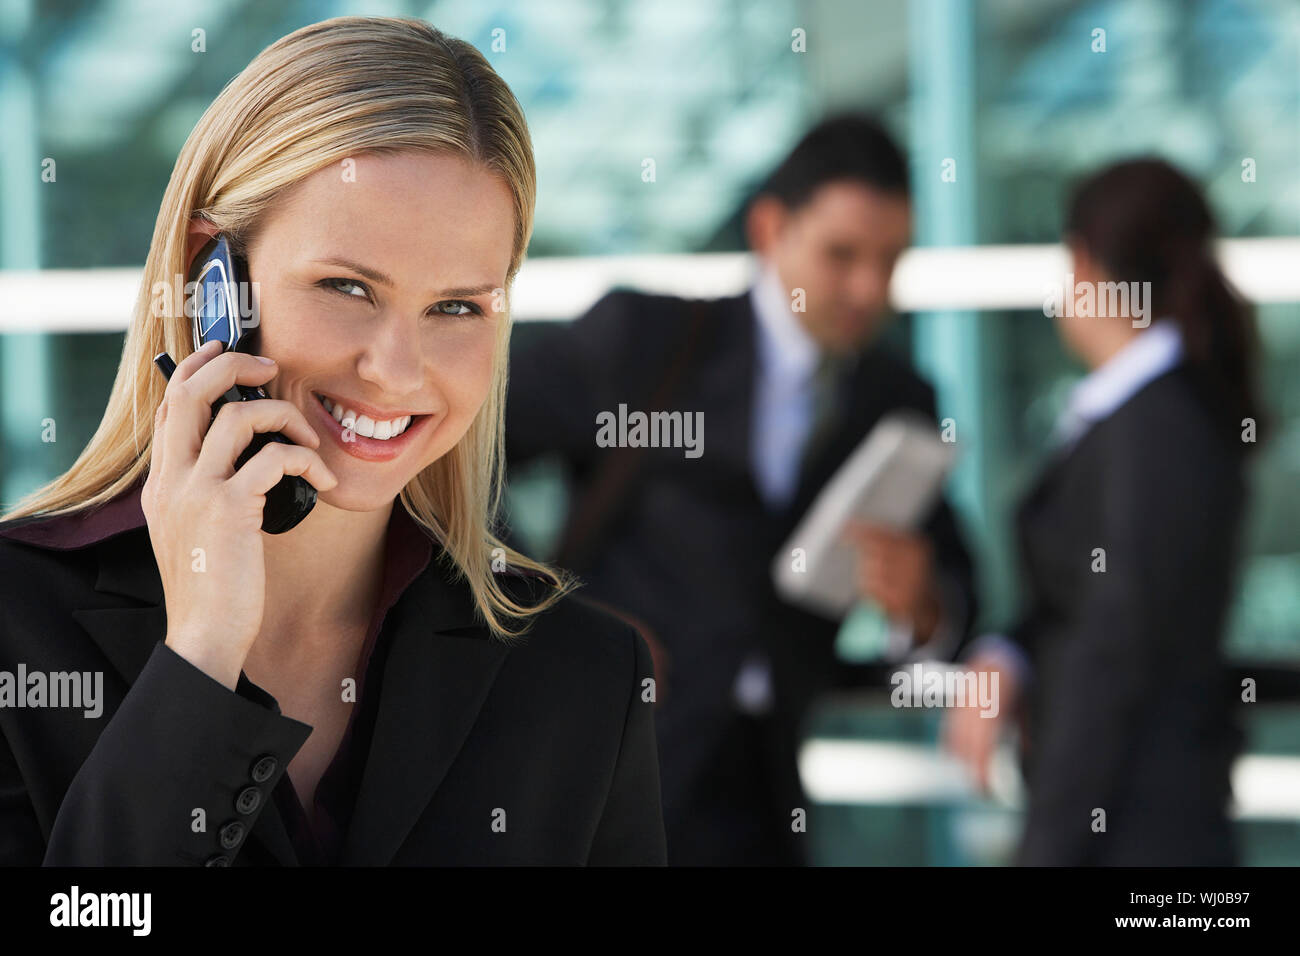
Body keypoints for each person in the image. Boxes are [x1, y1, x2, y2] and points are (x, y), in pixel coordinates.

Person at [0, 16, 665, 866]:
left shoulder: (585, 680)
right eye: (348, 287)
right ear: (215, 277)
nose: (394, 370)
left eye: (457, 306)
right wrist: (200, 658)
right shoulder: (18, 627)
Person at [505, 115, 978, 865]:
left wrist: (922, 607)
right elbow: (460, 457)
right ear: (768, 228)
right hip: (613, 766)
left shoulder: (897, 398)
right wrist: (555, 619)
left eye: (891, 260)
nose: (869, 287)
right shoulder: (645, 341)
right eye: (841, 254)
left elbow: (954, 588)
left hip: (769, 792)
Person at [943, 158, 1262, 866]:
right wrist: (1012, 655)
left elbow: (1113, 654)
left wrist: (1049, 849)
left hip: (1136, 835)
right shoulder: (1154, 418)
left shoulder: (1157, 428)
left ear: (1084, 263)